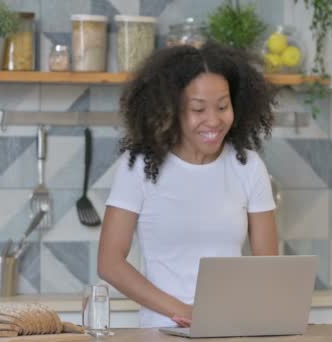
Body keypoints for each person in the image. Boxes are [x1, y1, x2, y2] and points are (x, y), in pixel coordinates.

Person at [97, 42, 279, 328]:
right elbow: (110, 263)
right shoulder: (138, 167)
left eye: (222, 106)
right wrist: (184, 312)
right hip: (162, 330)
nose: (214, 120)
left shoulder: (248, 166)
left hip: (231, 329)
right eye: (198, 109)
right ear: (171, 110)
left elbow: (268, 266)